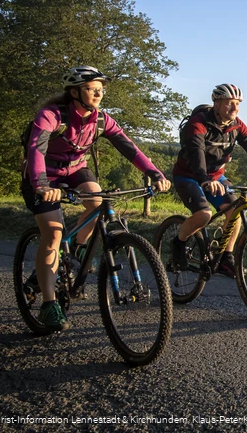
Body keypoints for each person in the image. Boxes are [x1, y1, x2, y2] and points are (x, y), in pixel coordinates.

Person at [22, 66, 171, 332]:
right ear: (75, 91)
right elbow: (36, 149)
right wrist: (42, 185)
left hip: (76, 168)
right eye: (93, 88)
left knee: (97, 200)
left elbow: (129, 148)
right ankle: (49, 304)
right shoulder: (52, 115)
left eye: (101, 88)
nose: (99, 92)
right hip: (43, 175)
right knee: (54, 234)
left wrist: (154, 173)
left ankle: (78, 250)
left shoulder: (101, 119)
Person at [169, 83, 247, 277]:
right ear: (216, 103)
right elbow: (197, 153)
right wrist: (204, 180)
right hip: (188, 176)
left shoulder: (237, 125)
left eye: (237, 104)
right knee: (203, 215)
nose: (234, 108)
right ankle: (178, 243)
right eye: (229, 103)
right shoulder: (198, 123)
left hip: (216, 176)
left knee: (235, 212)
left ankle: (226, 258)